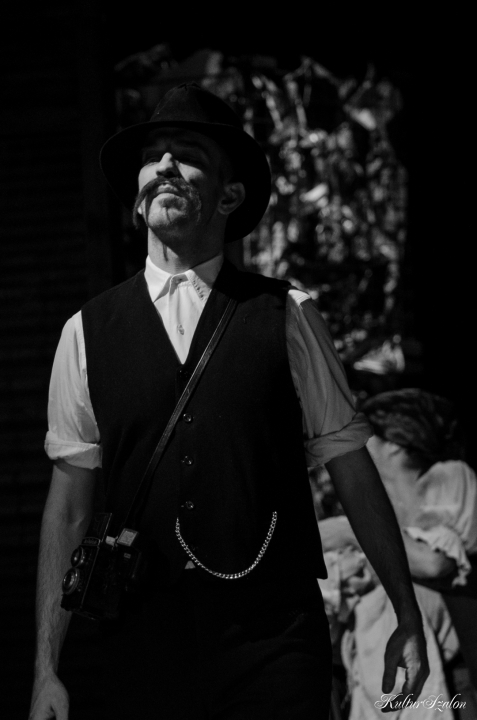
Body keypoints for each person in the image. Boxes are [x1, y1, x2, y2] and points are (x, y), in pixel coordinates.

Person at [29, 84, 429, 720]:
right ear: (136, 195)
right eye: (152, 155)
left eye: (186, 154)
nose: (164, 165)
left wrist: (407, 613)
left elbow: (350, 466)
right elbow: (70, 507)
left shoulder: (287, 314)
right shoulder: (85, 333)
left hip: (274, 640)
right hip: (144, 646)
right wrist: (45, 670)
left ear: (229, 195)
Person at [318, 388, 477, 718]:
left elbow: (434, 563)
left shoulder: (449, 476)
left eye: (364, 436)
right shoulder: (376, 512)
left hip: (452, 684)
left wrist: (349, 530)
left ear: (392, 442)